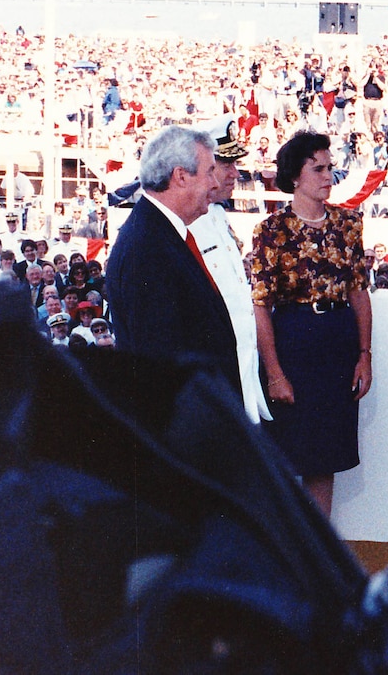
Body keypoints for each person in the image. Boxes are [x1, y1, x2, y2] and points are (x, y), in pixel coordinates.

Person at [251, 131, 373, 516]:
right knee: (287, 455)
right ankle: (288, 552)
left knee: (324, 459)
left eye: (329, 167)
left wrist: (365, 355)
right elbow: (261, 307)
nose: (327, 176)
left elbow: (358, 293)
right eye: (317, 168)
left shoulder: (348, 224)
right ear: (294, 176)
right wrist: (273, 372)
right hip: (293, 343)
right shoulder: (271, 232)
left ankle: (318, 553)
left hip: (338, 343)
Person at [104, 125, 241, 395]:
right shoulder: (146, 249)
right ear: (181, 176)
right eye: (209, 171)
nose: (215, 183)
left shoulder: (160, 233)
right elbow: (159, 365)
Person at [191, 117, 272, 424]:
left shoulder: (217, 216)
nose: (235, 174)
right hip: (216, 382)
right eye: (226, 165)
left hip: (241, 380)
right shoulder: (189, 225)